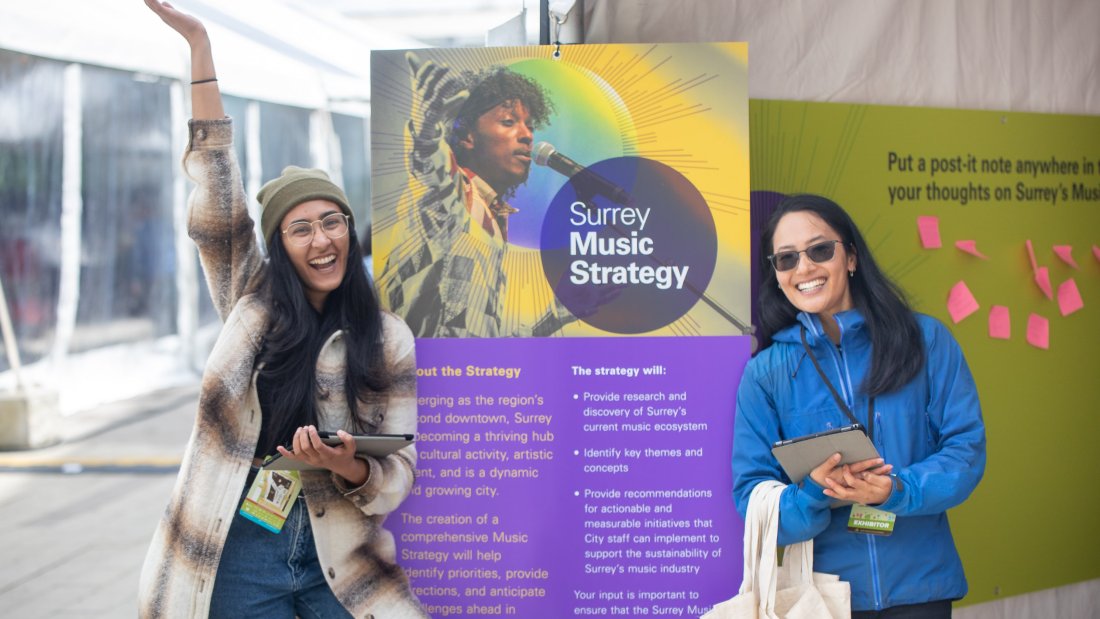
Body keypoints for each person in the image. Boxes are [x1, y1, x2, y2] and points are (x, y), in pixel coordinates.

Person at [138, 2, 427, 617]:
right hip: (238, 550)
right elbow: (218, 189)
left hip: (340, 553)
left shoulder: (387, 337)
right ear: (280, 244)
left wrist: (351, 466)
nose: (322, 240)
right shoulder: (251, 299)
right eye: (301, 229)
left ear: (351, 229)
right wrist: (199, 44)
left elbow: (398, 470)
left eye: (332, 222)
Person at [732, 194, 986, 617]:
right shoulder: (766, 373)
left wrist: (897, 489)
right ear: (776, 275)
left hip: (921, 590)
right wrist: (814, 493)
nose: (805, 268)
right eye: (787, 259)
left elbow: (966, 451)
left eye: (819, 250)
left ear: (850, 257)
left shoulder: (925, 341)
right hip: (824, 599)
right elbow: (751, 494)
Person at [377, 54, 576, 337]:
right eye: (509, 122)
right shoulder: (452, 197)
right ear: (466, 136)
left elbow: (477, 344)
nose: (527, 135)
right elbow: (429, 165)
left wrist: (551, 319)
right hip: (424, 381)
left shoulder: (491, 217)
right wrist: (428, 125)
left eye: (529, 126)